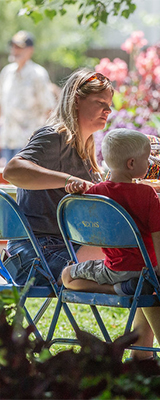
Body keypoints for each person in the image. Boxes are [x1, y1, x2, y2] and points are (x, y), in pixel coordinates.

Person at [61, 128, 160, 359]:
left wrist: (75, 190)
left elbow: (77, 214)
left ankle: (114, 292)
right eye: (147, 159)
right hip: (147, 271)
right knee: (148, 288)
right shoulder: (148, 194)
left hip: (114, 270)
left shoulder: (96, 193)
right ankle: (158, 357)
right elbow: (159, 235)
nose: (149, 164)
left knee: (67, 276)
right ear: (131, 164)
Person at [2, 68, 113, 286]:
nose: (108, 109)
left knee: (154, 257)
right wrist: (68, 180)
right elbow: (12, 170)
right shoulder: (55, 136)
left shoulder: (85, 149)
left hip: (62, 248)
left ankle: (144, 321)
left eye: (109, 103)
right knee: (137, 263)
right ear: (77, 100)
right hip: (35, 254)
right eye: (100, 101)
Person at [0, 31, 56, 163]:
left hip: (28, 143)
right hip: (8, 141)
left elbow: (49, 108)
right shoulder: (7, 72)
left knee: (23, 183)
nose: (15, 50)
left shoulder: (38, 74)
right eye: (13, 46)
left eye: (19, 47)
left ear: (30, 50)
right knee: (7, 182)